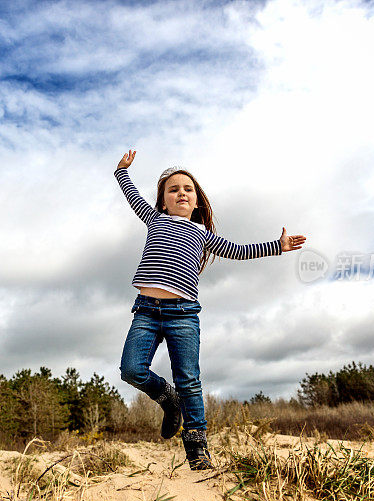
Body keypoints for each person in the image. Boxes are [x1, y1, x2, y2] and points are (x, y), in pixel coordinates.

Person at [114, 149, 306, 470]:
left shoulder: (202, 234)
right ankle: (167, 398)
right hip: (146, 311)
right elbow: (132, 194)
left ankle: (197, 450)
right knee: (131, 369)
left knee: (189, 378)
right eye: (173, 189)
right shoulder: (154, 219)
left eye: (188, 189)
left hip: (184, 314)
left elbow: (240, 251)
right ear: (163, 201)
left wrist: (278, 246)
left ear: (197, 201)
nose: (181, 193)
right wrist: (122, 170)